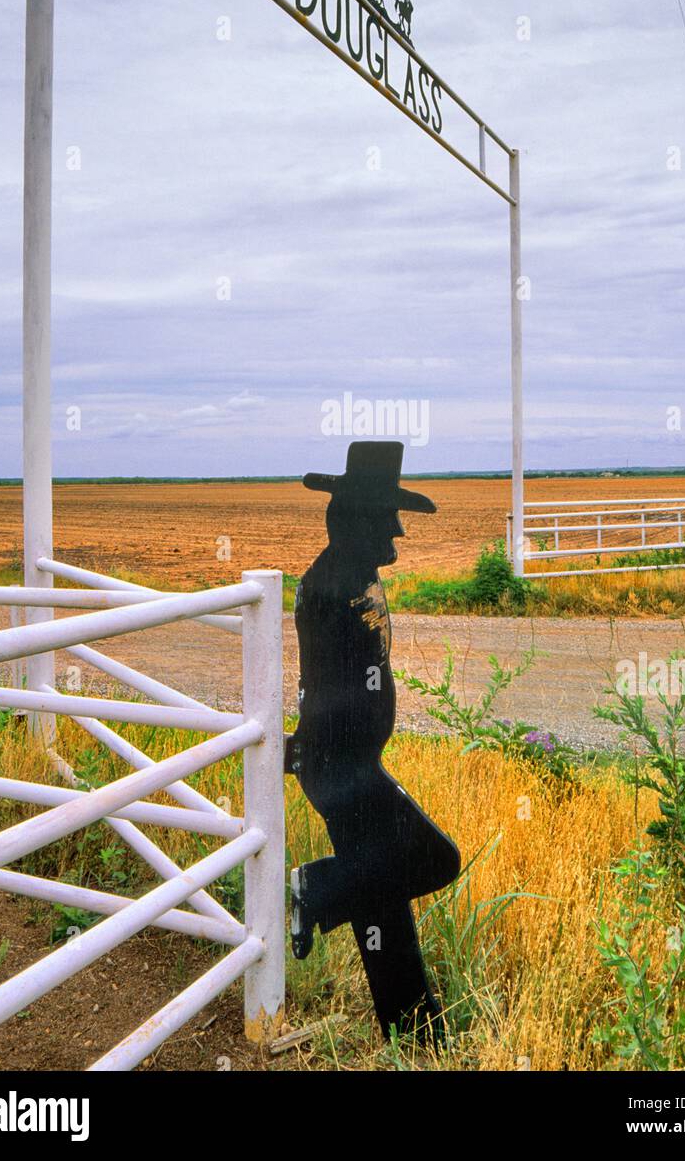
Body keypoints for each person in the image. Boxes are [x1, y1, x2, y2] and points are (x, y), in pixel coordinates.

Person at [285, 441, 460, 1039]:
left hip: (351, 761)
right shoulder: (332, 582)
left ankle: (413, 1029)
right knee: (435, 858)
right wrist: (318, 746)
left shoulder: (350, 575)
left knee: (381, 891)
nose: (397, 529)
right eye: (385, 515)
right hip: (343, 766)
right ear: (356, 517)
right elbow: (325, 683)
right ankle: (317, 889)